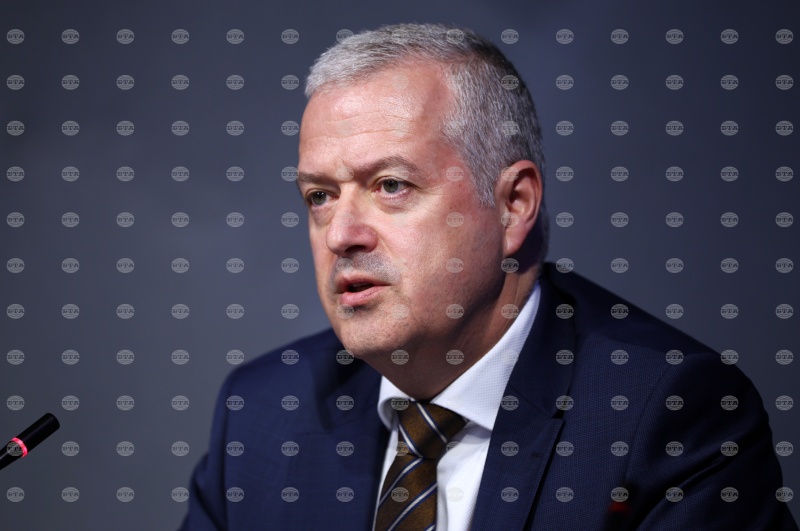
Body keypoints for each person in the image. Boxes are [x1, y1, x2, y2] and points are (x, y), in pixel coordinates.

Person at [181, 23, 797, 530]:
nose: (341, 234)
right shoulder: (262, 411)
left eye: (390, 185)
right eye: (319, 195)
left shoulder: (666, 412)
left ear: (513, 205)